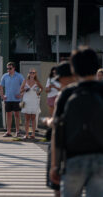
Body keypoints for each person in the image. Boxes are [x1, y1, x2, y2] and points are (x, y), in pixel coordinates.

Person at [50, 47, 103, 197]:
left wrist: (55, 165)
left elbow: (57, 130)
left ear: (74, 69)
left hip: (73, 158)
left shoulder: (67, 93)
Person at [42, 61, 76, 197]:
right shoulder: (93, 90)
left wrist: (47, 121)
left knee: (58, 187)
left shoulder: (65, 94)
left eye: (60, 79)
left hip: (64, 145)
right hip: (88, 149)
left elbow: (56, 125)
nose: (59, 83)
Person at [0, 62, 24, 137]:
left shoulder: (19, 76)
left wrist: (21, 95)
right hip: (8, 99)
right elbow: (0, 87)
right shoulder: (5, 76)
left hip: (16, 99)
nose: (8, 70)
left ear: (14, 68)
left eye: (10, 68)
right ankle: (8, 131)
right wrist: (2, 96)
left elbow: (25, 87)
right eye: (7, 68)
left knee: (17, 115)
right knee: (8, 115)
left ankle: (18, 132)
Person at [20, 68, 43, 139]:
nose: (32, 74)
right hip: (26, 101)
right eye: (30, 72)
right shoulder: (25, 81)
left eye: (33, 73)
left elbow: (41, 88)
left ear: (35, 74)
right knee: (27, 118)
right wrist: (25, 89)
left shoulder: (37, 82)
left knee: (33, 118)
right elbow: (20, 90)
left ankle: (33, 134)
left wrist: (38, 91)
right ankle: (26, 134)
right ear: (29, 73)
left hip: (34, 101)